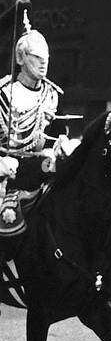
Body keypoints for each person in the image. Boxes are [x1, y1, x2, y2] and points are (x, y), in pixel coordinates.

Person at [0, 17, 66, 204]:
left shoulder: (53, 95)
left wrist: (60, 147)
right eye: (36, 57)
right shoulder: (3, 93)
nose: (42, 63)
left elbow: (59, 132)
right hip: (7, 166)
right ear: (21, 58)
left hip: (41, 165)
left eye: (45, 58)